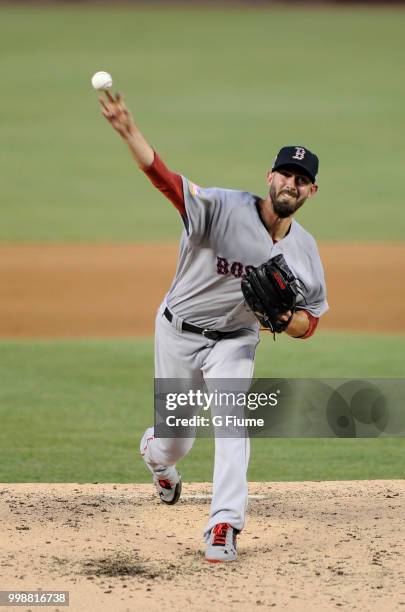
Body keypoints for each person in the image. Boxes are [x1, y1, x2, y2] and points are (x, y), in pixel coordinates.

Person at [98, 91, 328, 563]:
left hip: (236, 342)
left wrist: (286, 321)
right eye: (286, 173)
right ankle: (157, 457)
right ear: (270, 177)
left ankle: (223, 524)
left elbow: (313, 321)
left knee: (232, 423)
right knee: (175, 441)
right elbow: (166, 181)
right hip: (178, 332)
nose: (292, 183)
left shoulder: (305, 251)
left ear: (311, 192)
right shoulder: (221, 208)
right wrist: (129, 133)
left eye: (302, 180)